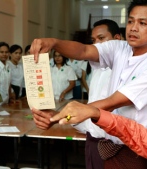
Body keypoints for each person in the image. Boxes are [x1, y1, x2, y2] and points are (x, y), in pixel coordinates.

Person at [30, 0, 147, 168]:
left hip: (135, 152)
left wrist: (59, 116)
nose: (133, 27)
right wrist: (54, 42)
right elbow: (84, 50)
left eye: (142, 23)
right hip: (112, 146)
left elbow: (112, 102)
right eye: (130, 21)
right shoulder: (120, 48)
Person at [75, 19, 122, 169]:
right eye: (93, 40)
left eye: (101, 39)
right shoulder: (96, 67)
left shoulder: (124, 70)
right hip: (93, 137)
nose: (96, 44)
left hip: (112, 143)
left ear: (117, 39)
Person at [50, 101, 147, 159]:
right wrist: (96, 113)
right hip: (99, 140)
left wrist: (94, 112)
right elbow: (140, 137)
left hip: (123, 151)